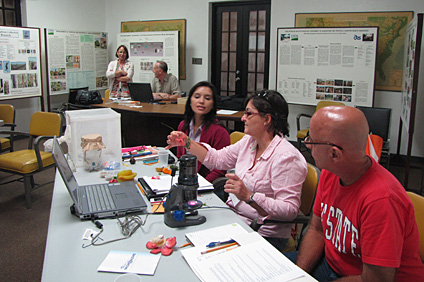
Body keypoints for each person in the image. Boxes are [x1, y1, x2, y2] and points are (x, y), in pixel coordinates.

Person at [287, 106, 424, 281]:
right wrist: (300, 274)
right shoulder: (331, 171)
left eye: (311, 140)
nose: (307, 144)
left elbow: (376, 279)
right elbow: (317, 229)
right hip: (332, 265)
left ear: (334, 154)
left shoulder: (381, 199)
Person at [166, 90, 307, 251]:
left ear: (267, 119)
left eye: (249, 113)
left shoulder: (287, 157)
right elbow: (217, 159)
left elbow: (289, 210)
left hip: (263, 233)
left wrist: (250, 197)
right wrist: (186, 142)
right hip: (234, 219)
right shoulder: (249, 141)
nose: (243, 118)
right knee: (188, 239)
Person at [176, 81, 230, 183]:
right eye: (197, 97)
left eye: (207, 98)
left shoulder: (220, 132)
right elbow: (180, 158)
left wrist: (201, 185)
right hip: (185, 180)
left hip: (205, 185)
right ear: (190, 100)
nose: (201, 101)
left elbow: (220, 170)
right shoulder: (183, 126)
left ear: (213, 103)